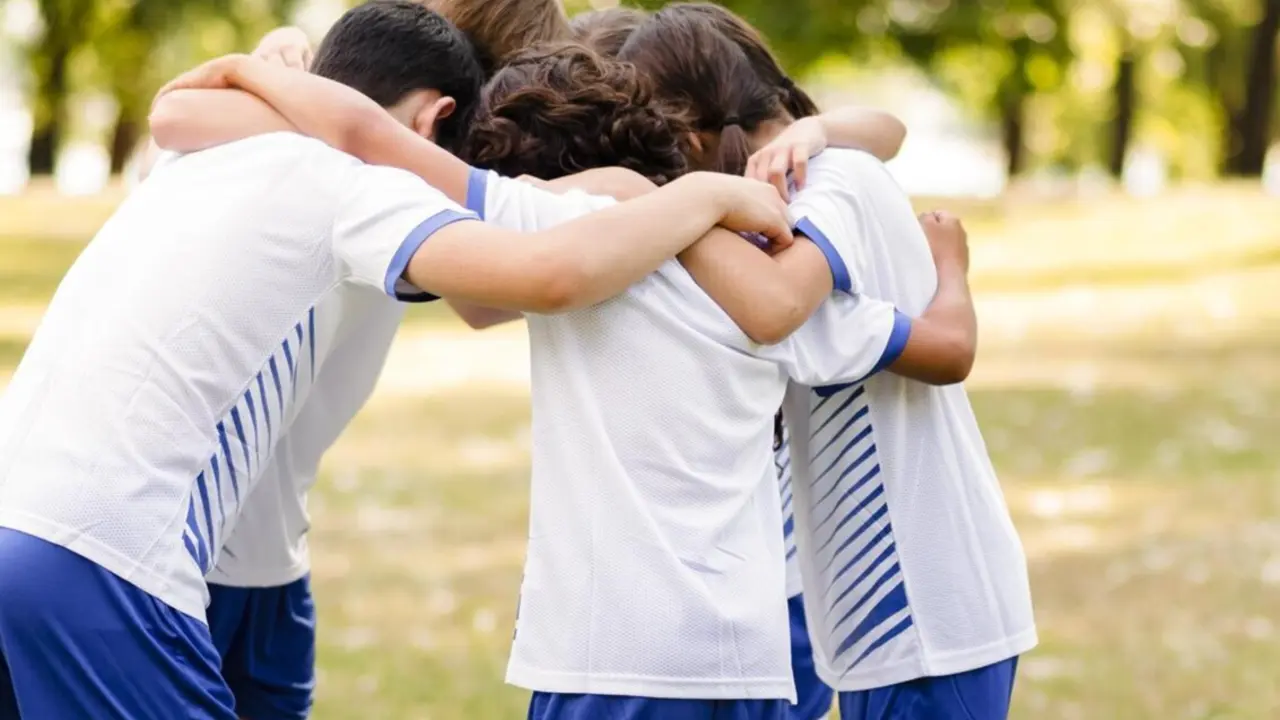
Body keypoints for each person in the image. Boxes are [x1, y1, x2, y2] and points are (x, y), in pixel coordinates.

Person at [0, 6, 801, 720]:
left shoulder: (211, 152)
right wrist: (702, 197)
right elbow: (540, 277)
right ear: (437, 120)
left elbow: (181, 109)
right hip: (103, 556)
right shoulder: (357, 185)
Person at [622, 5, 1037, 719]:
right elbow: (883, 137)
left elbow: (796, 309)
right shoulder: (814, 188)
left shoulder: (813, 206)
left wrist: (653, 205)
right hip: (907, 610)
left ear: (685, 136)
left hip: (925, 615)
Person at [187, 3, 570, 718]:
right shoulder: (354, 169)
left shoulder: (400, 181)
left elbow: (492, 295)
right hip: (185, 560)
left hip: (250, 562)